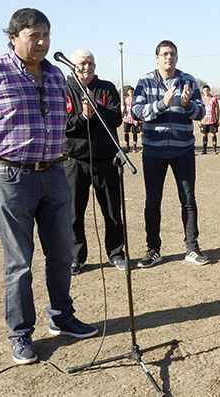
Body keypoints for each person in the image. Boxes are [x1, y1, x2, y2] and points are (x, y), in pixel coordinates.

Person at [0, 8, 98, 365]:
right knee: (19, 262)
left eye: (46, 35)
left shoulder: (54, 75)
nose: (42, 42)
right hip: (13, 178)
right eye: (34, 35)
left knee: (62, 253)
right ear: (14, 37)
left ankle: (62, 317)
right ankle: (21, 334)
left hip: (54, 174)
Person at [132, 40, 211, 267]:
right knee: (152, 201)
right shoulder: (145, 81)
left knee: (188, 200)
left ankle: (192, 248)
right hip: (153, 151)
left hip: (183, 150)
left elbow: (201, 113)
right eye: (165, 54)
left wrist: (187, 105)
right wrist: (162, 104)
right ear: (156, 57)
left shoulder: (188, 81)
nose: (169, 57)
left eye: (173, 54)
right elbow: (136, 111)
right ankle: (153, 249)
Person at [64, 49, 126, 275]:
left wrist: (95, 108)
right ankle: (76, 257)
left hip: (106, 159)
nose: (87, 66)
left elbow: (116, 118)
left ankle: (117, 253)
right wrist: (83, 117)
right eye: (82, 62)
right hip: (74, 161)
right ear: (73, 66)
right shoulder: (64, 88)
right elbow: (65, 123)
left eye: (90, 62)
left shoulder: (107, 88)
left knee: (112, 210)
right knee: (73, 213)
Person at [199, 84, 220, 155]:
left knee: (213, 134)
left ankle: (215, 149)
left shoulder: (214, 99)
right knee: (204, 135)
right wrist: (199, 120)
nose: (206, 92)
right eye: (204, 91)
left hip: (212, 120)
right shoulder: (201, 99)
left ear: (209, 90)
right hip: (204, 121)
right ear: (203, 91)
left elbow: (217, 109)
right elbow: (200, 110)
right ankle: (204, 150)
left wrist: (217, 119)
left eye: (207, 90)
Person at [123, 87, 141, 153]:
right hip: (127, 118)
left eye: (132, 92)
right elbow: (125, 108)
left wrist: (137, 119)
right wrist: (123, 116)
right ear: (128, 92)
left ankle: (134, 147)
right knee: (125, 132)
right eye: (130, 92)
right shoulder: (126, 99)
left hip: (134, 119)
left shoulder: (136, 99)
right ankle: (127, 147)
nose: (131, 93)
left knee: (134, 133)